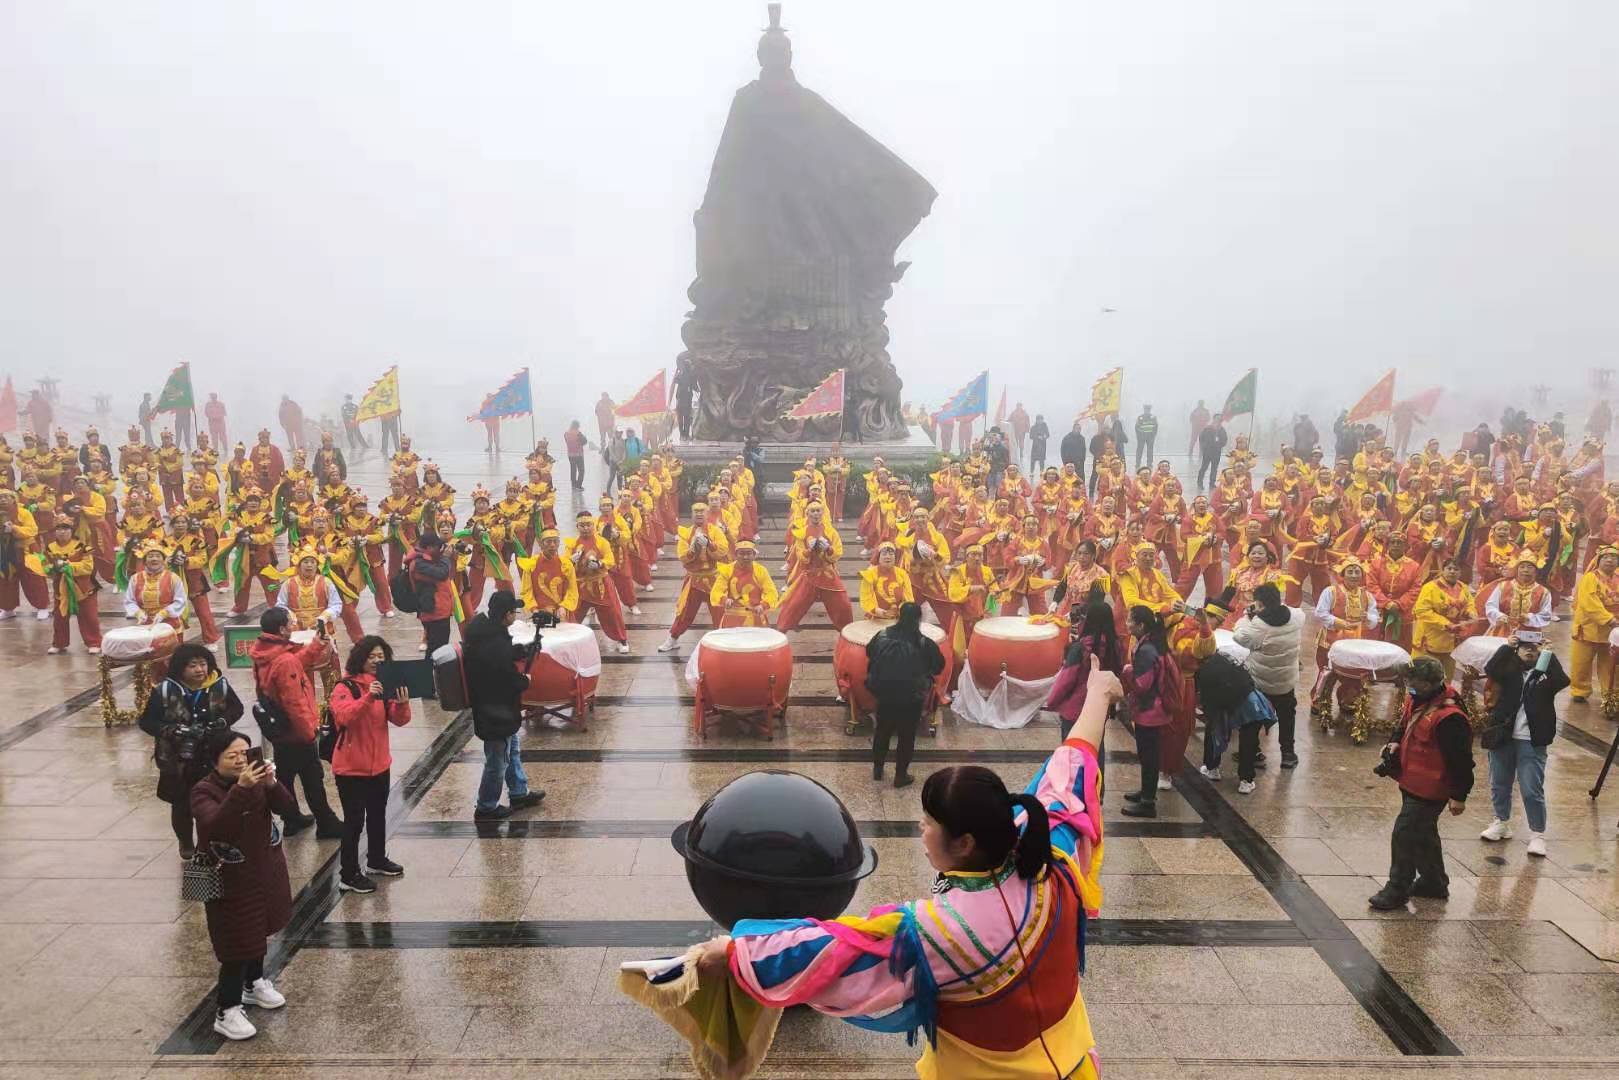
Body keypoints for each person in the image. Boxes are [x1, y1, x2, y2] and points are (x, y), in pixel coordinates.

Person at [685, 662, 1114, 1080]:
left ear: (964, 843)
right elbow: (1070, 771)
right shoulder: (1052, 860)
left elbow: (835, 948)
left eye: (929, 823)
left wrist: (734, 952)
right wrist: (1099, 694)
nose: (921, 830)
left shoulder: (939, 933)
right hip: (1075, 1067)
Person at [190, 728, 294, 1041]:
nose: (240, 760)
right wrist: (242, 789)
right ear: (215, 760)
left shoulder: (257, 781)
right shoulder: (203, 791)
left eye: (244, 754)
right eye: (231, 755)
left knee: (258, 929)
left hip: (262, 872)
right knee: (236, 944)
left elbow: (288, 808)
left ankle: (254, 983)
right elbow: (215, 827)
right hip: (227, 879)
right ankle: (227, 1010)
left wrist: (271, 784)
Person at [1367, 658, 1474, 910]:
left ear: (1429, 683)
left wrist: (1459, 796)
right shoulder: (1418, 699)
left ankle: (1397, 889)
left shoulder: (1450, 718)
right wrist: (1394, 741)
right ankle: (1433, 882)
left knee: (1404, 834)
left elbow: (1462, 761)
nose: (1407, 684)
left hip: (1431, 790)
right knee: (1423, 833)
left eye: (1411, 681)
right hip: (1411, 780)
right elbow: (1404, 723)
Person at [138, 644, 245, 859]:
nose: (199, 670)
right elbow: (147, 721)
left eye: (203, 664)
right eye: (193, 665)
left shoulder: (219, 684)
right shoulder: (165, 690)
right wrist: (172, 730)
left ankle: (213, 841)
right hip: (178, 759)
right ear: (180, 668)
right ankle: (185, 842)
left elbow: (237, 708)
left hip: (212, 755)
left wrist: (222, 722)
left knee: (216, 800)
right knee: (181, 804)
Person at [249, 607, 342, 838]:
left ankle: (291, 819)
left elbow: (293, 663)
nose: (293, 626)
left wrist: (316, 646)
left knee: (286, 776)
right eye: (290, 623)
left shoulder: (264, 652)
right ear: (282, 629)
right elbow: (295, 702)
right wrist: (308, 732)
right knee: (313, 779)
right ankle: (326, 823)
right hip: (295, 731)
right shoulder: (284, 659)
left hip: (278, 728)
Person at [329, 636, 411, 892]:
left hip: (379, 765)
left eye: (381, 656)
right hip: (351, 768)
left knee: (377, 814)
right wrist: (368, 698)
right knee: (354, 821)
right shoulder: (345, 687)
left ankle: (376, 859)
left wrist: (402, 704)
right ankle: (348, 874)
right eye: (372, 656)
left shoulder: (384, 685)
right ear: (360, 659)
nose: (376, 661)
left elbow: (399, 720)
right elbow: (344, 717)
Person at [1478, 634, 1568, 857]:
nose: (1529, 651)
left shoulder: (1544, 676)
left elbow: (1562, 680)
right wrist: (1507, 647)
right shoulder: (1509, 672)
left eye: (1534, 648)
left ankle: (1537, 834)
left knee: (1531, 789)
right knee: (1499, 783)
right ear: (1517, 651)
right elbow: (1491, 669)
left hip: (1532, 740)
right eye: (1524, 647)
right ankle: (1501, 822)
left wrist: (1548, 654)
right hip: (1503, 737)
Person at [466, 591, 545, 821]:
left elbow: (501, 657)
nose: (515, 615)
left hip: (498, 709)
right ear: (505, 615)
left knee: (512, 750)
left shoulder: (489, 633)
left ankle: (519, 792)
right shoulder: (494, 644)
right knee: (497, 761)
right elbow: (504, 678)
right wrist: (524, 681)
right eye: (513, 611)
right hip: (494, 712)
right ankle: (486, 807)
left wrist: (522, 650)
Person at [864, 602, 945, 788]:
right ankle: (901, 775)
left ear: (899, 616)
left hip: (885, 693)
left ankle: (878, 769)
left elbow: (869, 652)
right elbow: (938, 666)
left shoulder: (882, 635)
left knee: (882, 731)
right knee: (906, 736)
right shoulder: (924, 643)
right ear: (919, 618)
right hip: (911, 697)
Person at [1232, 582, 1302, 770]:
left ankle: (1253, 752)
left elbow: (1239, 637)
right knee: (1287, 716)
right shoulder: (1296, 617)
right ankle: (1288, 753)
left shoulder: (1259, 625)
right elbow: (1296, 611)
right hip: (1286, 681)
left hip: (1261, 683)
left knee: (1254, 718)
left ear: (1260, 604)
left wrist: (1246, 618)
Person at [1121, 605, 1176, 818]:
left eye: (1130, 620)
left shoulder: (1146, 650)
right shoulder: (1153, 642)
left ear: (1141, 625)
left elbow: (1142, 685)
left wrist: (1128, 671)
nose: (1127, 624)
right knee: (1148, 754)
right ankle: (1146, 791)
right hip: (1154, 708)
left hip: (1150, 711)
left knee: (1149, 755)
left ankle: (1148, 803)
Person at [1046, 600, 1124, 739]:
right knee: (1095, 746)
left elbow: (1065, 680)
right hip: (1099, 710)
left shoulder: (1081, 648)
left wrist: (1052, 702)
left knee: (1073, 749)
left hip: (1074, 710)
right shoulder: (1115, 647)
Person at [1569, 545, 1619, 703]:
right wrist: (1609, 619)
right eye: (1606, 557)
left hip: (1612, 631)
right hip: (1588, 627)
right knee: (1581, 662)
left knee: (1609, 664)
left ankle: (1609, 693)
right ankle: (1580, 690)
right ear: (1598, 560)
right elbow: (1590, 602)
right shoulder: (1590, 578)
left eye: (1614, 558)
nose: (1610, 560)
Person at [406, 532, 457, 655]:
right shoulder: (419, 564)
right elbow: (442, 574)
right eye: (437, 546)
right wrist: (445, 557)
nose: (440, 549)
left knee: (439, 647)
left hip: (440, 611)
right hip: (434, 613)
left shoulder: (429, 558)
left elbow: (449, 575)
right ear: (429, 548)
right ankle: (430, 667)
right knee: (436, 650)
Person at [1197, 417, 1227, 490]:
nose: (1217, 422)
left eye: (1219, 421)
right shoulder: (1207, 428)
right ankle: (1200, 482)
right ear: (1213, 420)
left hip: (1217, 452)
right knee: (1204, 467)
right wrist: (1204, 447)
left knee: (1214, 468)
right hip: (1207, 452)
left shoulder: (1222, 430)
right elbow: (1201, 438)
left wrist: (1220, 444)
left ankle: (1212, 483)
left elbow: (1225, 439)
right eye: (1216, 420)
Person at [563, 420, 589, 490]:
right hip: (579, 454)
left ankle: (573, 484)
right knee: (581, 470)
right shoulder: (579, 433)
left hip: (570, 455)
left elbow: (567, 441)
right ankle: (579, 485)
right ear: (578, 426)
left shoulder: (566, 433)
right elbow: (584, 442)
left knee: (573, 470)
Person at [1133, 405, 1158, 470]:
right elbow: (1136, 427)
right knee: (1139, 450)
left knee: (1150, 451)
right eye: (1146, 409)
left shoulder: (1153, 417)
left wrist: (1153, 436)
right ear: (1144, 410)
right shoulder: (1140, 417)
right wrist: (1139, 436)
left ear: (1150, 410)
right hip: (1141, 437)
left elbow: (1155, 427)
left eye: (1148, 410)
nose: (1147, 411)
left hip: (1150, 437)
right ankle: (1138, 463)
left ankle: (1149, 464)